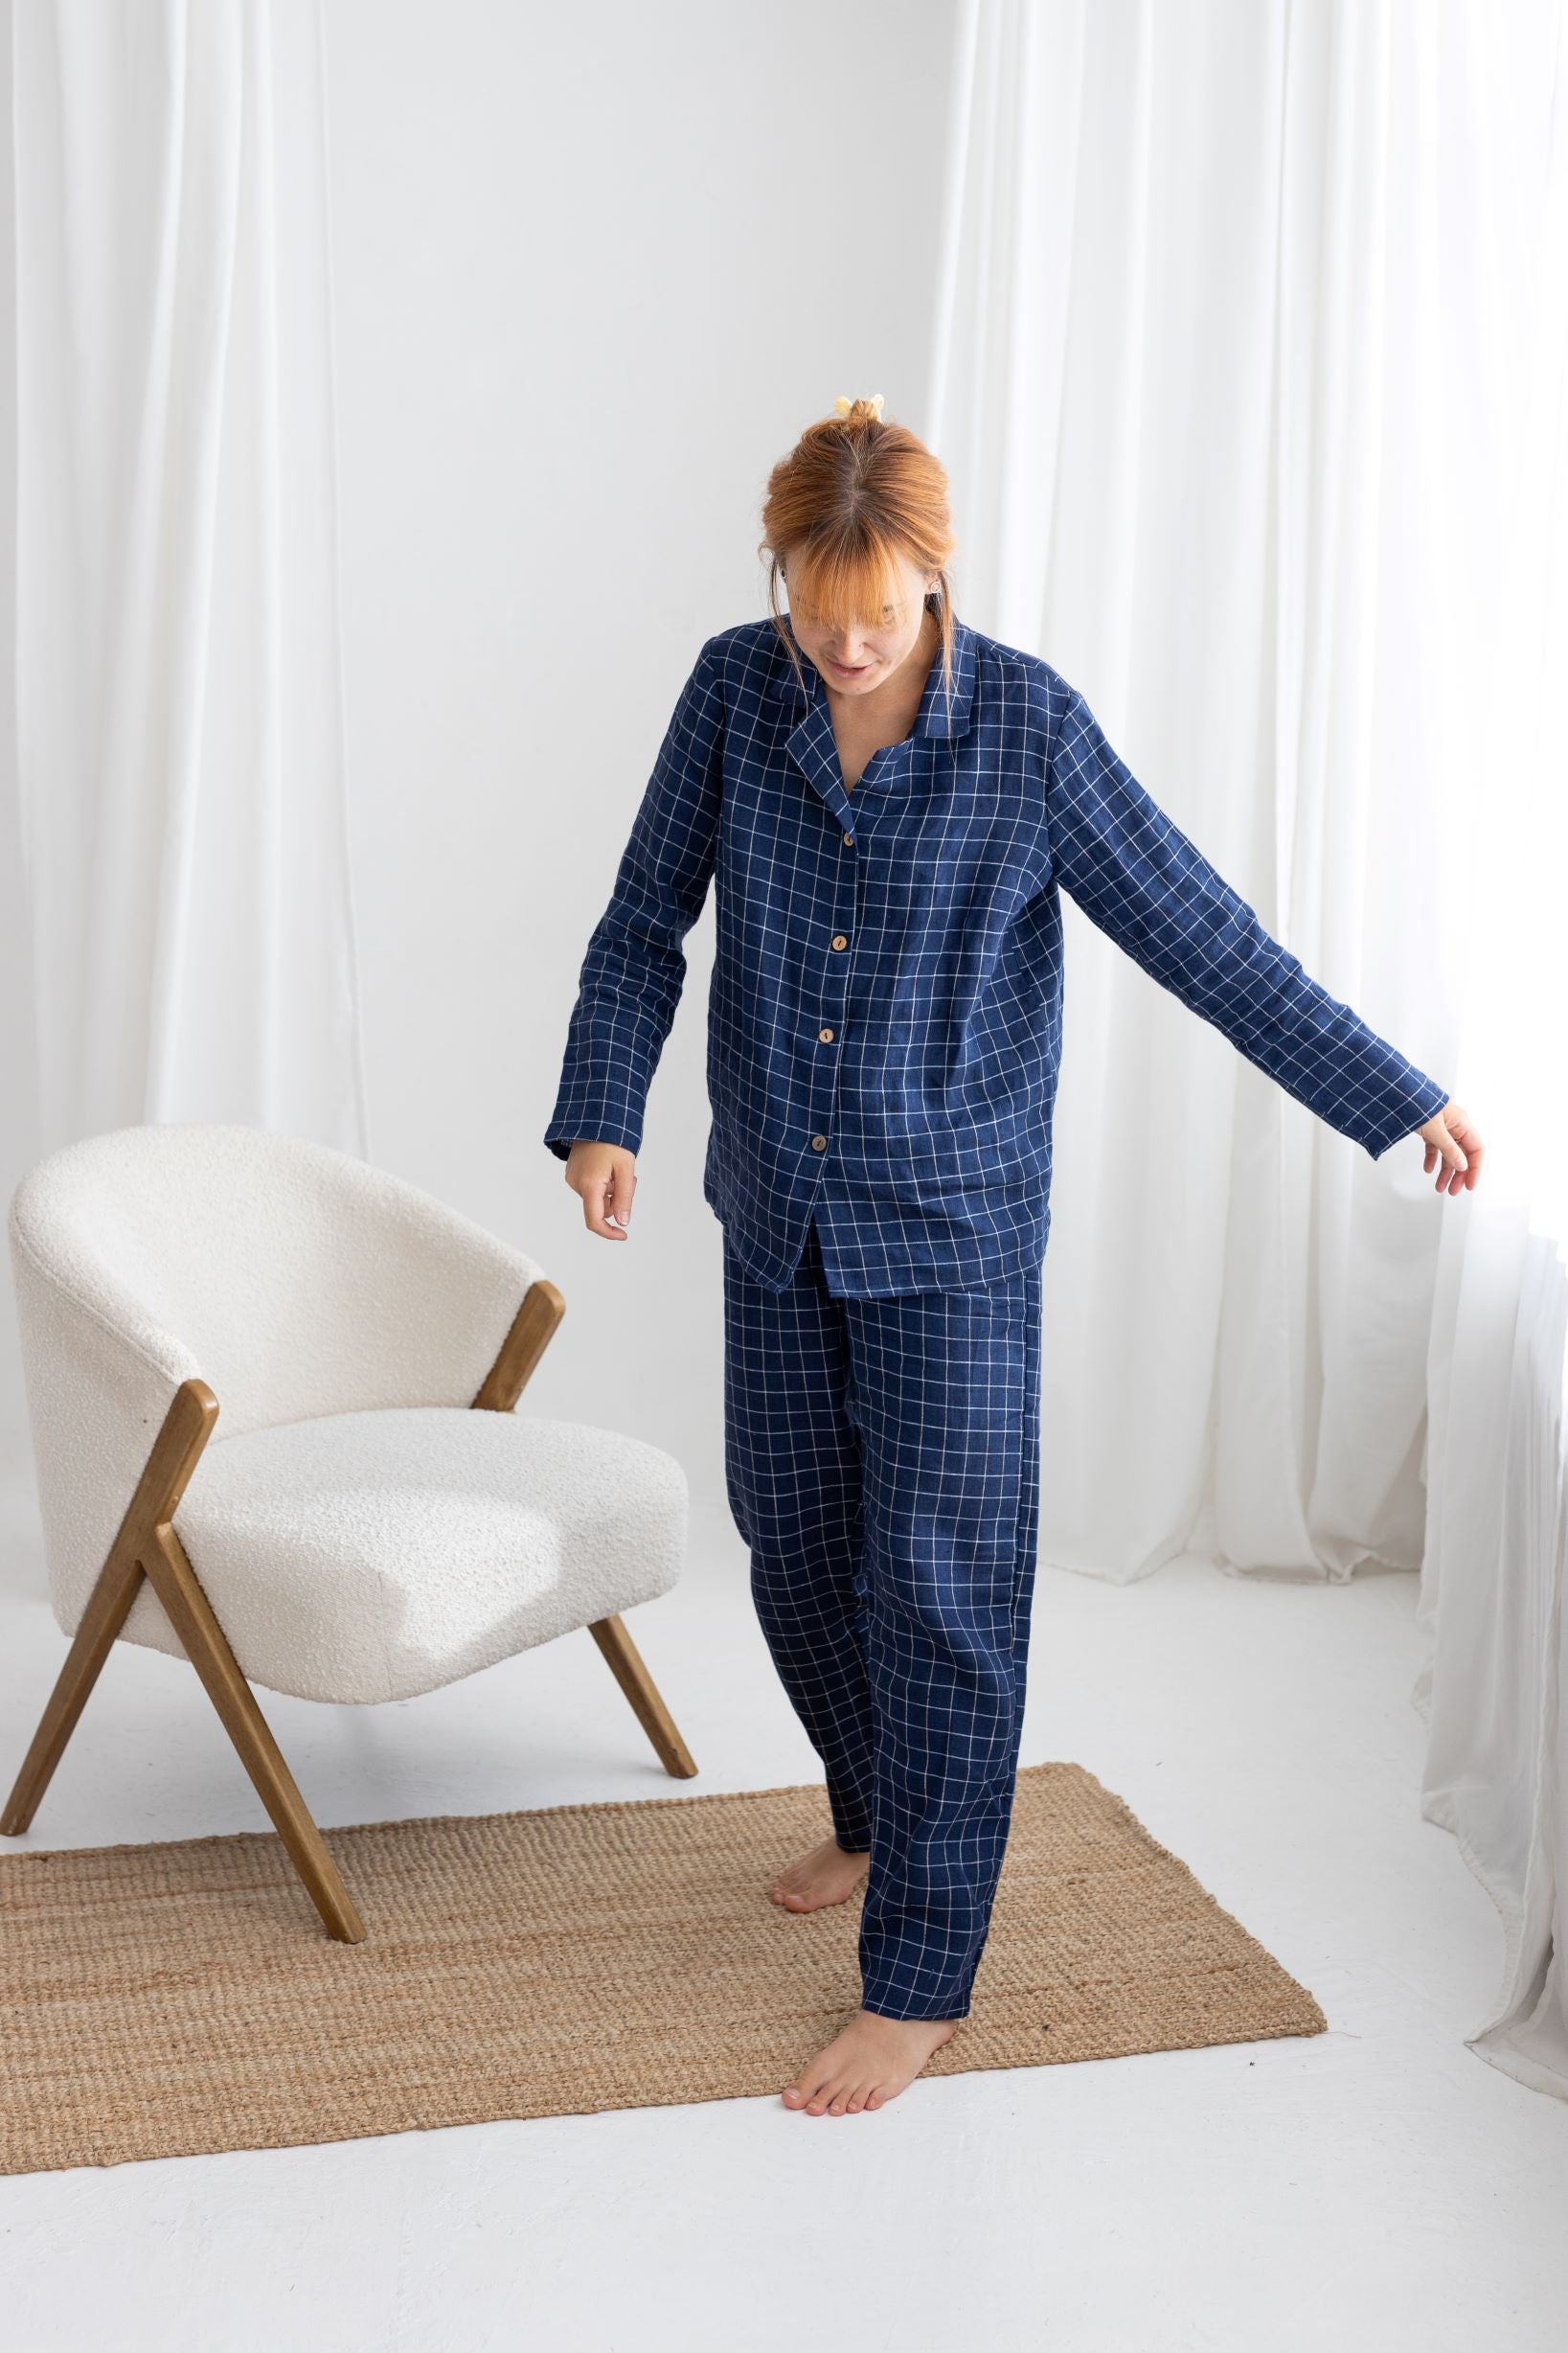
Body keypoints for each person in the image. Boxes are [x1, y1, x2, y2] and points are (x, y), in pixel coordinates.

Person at [542, 393, 1482, 2119]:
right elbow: (640, 922)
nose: (843, 646)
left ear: (934, 575)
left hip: (955, 1233)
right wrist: (605, 1113)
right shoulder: (733, 692)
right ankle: (873, 1812)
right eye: (813, 610)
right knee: (789, 1544)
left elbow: (1205, 940)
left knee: (943, 1595)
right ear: (779, 576)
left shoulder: (1029, 731)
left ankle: (917, 1977)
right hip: (776, 1211)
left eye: (875, 614)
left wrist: (1394, 1097)